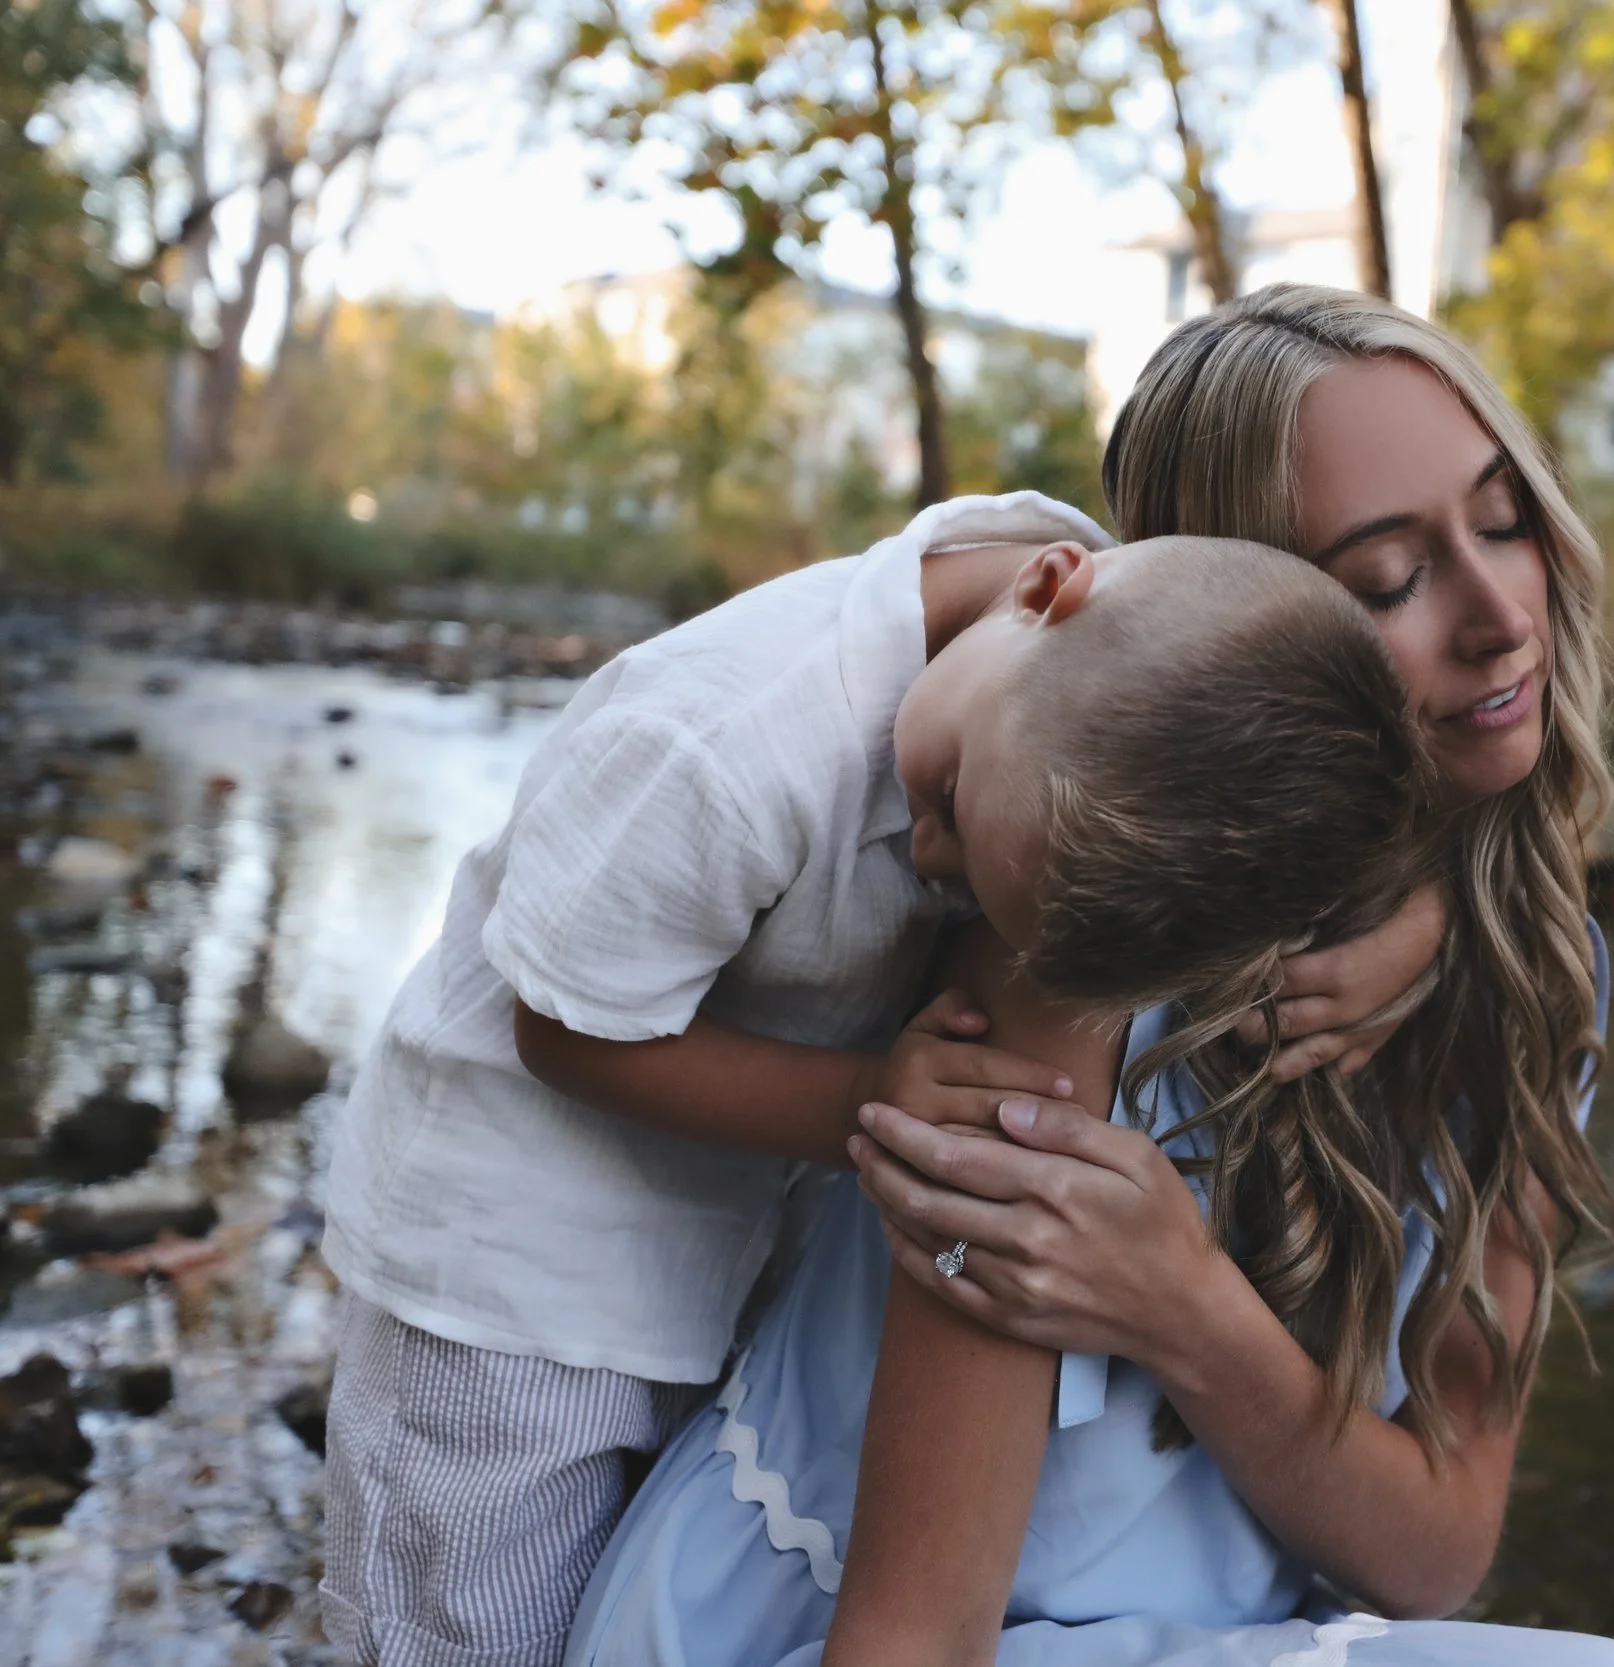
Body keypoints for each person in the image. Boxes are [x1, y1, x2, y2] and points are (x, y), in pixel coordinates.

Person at [566, 284, 1614, 1664]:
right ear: (1241, 646)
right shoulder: (1068, 963)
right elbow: (907, 1633)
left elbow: (1435, 1547)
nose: (1500, 614)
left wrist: (1185, 1307)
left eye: (1503, 519)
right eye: (1386, 580)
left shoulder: (1527, 965)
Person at [317, 495, 1431, 1667]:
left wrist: (1418, 920)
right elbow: (560, 1031)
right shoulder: (717, 747)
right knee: (471, 1631)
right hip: (506, 1281)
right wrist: (870, 1102)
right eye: (946, 801)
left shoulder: (1102, 680)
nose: (931, 855)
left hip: (715, 1233)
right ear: (1046, 586)